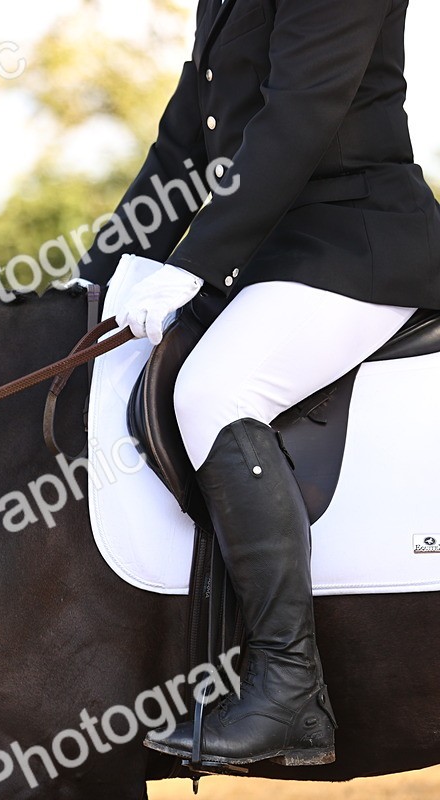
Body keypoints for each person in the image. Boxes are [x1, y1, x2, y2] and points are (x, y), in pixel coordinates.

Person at [76, 0, 440, 768]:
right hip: (269, 258)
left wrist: (191, 264)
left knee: (215, 391)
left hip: (355, 244)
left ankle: (289, 689)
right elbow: (187, 137)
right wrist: (94, 279)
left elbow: (300, 115)